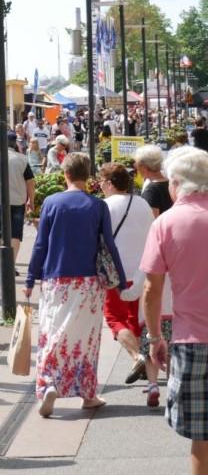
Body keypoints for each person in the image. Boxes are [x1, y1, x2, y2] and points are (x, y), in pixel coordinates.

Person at [25, 152, 127, 417]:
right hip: (88, 282)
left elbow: (40, 244)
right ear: (88, 176)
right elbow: (109, 245)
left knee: (53, 331)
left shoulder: (50, 203)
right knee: (86, 338)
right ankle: (87, 393)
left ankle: (49, 383)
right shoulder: (97, 205)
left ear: (65, 174)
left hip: (55, 279)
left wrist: (29, 278)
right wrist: (120, 279)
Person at [139, 147, 208, 475]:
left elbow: (152, 290)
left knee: (201, 436)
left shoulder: (166, 223)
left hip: (191, 340)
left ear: (177, 183)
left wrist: (154, 337)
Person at [97, 163, 159, 406]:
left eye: (102, 182)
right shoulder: (142, 203)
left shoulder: (105, 206)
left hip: (116, 273)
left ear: (111, 183)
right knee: (138, 323)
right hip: (143, 271)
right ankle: (150, 370)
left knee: (114, 318)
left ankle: (137, 357)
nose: (101, 186)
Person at [0, 131, 35, 261]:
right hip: (18, 200)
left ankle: (4, 263)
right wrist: (30, 200)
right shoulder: (22, 159)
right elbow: (30, 182)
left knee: (2, 232)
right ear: (14, 142)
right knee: (16, 234)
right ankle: (12, 263)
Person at [135, 145, 173, 218]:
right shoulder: (172, 183)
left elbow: (151, 220)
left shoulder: (151, 191)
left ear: (144, 167)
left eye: (136, 164)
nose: (136, 167)